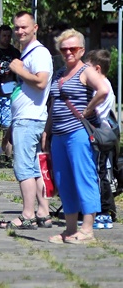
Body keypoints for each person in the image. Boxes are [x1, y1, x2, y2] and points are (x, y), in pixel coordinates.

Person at [46, 29, 109, 244]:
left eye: (73, 48)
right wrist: (47, 131)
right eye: (64, 49)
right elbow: (54, 105)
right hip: (59, 135)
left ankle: (87, 230)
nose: (68, 53)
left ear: (81, 50)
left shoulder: (86, 70)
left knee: (84, 178)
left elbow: (103, 90)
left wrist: (88, 110)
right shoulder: (59, 74)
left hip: (78, 134)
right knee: (64, 182)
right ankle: (70, 229)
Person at [3, 11, 54, 230]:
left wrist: (19, 70)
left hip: (29, 118)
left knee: (23, 168)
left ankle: (27, 214)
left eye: (24, 27)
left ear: (35, 28)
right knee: (34, 168)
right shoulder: (29, 52)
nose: (19, 31)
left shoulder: (39, 53)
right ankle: (43, 212)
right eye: (17, 27)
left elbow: (41, 82)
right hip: (27, 118)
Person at [85, 49, 117, 229]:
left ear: (97, 69)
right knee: (98, 171)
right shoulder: (103, 84)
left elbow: (93, 111)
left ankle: (104, 211)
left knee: (98, 173)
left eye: (87, 68)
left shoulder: (101, 86)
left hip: (99, 136)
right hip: (99, 135)